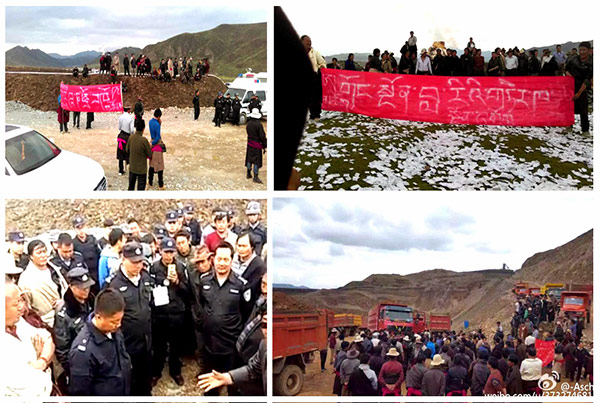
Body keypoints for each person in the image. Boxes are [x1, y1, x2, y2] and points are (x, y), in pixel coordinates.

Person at [196, 242, 252, 394]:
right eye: (219, 259)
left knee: (233, 387)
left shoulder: (241, 285)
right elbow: (201, 305)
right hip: (209, 346)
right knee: (209, 386)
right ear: (213, 259)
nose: (221, 263)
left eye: (226, 259)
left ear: (231, 260)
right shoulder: (204, 280)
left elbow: (246, 312)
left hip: (230, 347)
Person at [105, 241, 153, 396]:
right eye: (134, 262)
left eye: (140, 261)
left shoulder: (145, 277)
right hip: (126, 344)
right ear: (123, 259)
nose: (138, 266)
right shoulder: (114, 285)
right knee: (129, 384)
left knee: (145, 381)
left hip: (146, 341)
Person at [68, 288, 131, 395]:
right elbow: (80, 393)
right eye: (114, 321)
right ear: (99, 317)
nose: (119, 324)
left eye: (120, 320)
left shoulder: (114, 330)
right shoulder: (83, 352)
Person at [150, 237, 190, 386]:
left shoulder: (181, 267)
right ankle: (156, 371)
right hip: (159, 313)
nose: (168, 256)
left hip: (176, 313)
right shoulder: (153, 268)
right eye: (165, 252)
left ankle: (175, 371)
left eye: (171, 252)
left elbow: (187, 291)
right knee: (159, 345)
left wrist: (177, 282)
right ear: (160, 252)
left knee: (176, 345)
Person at [5, 278, 53, 397]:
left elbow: (48, 338)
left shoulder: (18, 322)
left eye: (22, 301)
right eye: (16, 304)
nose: (21, 307)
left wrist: (42, 361)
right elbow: (37, 388)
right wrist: (42, 369)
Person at [53, 267, 95, 389]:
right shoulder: (64, 313)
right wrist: (72, 369)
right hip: (78, 363)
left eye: (88, 287)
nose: (87, 291)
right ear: (72, 287)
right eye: (83, 288)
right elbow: (62, 347)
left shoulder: (91, 301)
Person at [18, 240, 67, 327]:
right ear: (31, 256)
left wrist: (62, 301)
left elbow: (65, 289)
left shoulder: (55, 270)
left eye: (44, 251)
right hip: (44, 321)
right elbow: (26, 306)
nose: (43, 255)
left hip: (64, 314)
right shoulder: (26, 279)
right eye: (39, 253)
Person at [231, 231, 266, 308]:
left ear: (252, 247)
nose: (241, 249)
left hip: (246, 306)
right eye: (239, 246)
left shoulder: (259, 266)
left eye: (244, 246)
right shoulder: (231, 259)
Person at [566, 41, 593, 135]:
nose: (581, 52)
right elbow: (566, 69)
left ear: (589, 51)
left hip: (583, 87)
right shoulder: (573, 59)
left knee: (583, 109)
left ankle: (585, 130)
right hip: (571, 85)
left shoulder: (592, 62)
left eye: (584, 50)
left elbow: (587, 79)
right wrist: (569, 76)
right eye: (580, 50)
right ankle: (568, 126)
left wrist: (578, 93)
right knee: (569, 106)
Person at [72, 216, 101, 293]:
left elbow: (99, 254)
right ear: (75, 229)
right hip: (85, 276)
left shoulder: (93, 239)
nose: (81, 230)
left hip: (97, 273)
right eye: (78, 228)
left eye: (82, 227)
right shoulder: (74, 243)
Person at [301, 35, 326, 120]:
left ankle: (316, 115)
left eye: (310, 41)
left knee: (316, 97)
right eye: (307, 41)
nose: (309, 43)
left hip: (314, 76)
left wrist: (322, 67)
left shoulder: (315, 52)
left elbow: (322, 62)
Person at [127, 118, 152, 191]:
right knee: (141, 189)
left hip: (132, 167)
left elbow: (127, 150)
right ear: (143, 129)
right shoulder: (144, 140)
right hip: (141, 169)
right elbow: (150, 155)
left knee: (131, 187)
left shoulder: (131, 137)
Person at [243, 107, 267, 184]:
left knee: (249, 159)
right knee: (256, 161)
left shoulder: (248, 124)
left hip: (250, 143)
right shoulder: (259, 125)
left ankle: (248, 173)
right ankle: (255, 177)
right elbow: (262, 136)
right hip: (257, 145)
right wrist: (265, 144)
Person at [148, 108, 166, 190]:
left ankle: (150, 181)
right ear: (159, 116)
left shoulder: (150, 122)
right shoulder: (157, 124)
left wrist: (151, 143)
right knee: (160, 165)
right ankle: (160, 184)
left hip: (151, 141)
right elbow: (158, 136)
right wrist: (153, 143)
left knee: (151, 164)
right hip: (156, 144)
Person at [117, 107, 135, 175]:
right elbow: (132, 130)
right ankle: (131, 169)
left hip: (121, 135)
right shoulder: (130, 118)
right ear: (128, 110)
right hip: (127, 136)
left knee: (120, 152)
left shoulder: (120, 117)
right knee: (129, 152)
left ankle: (120, 169)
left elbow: (119, 127)